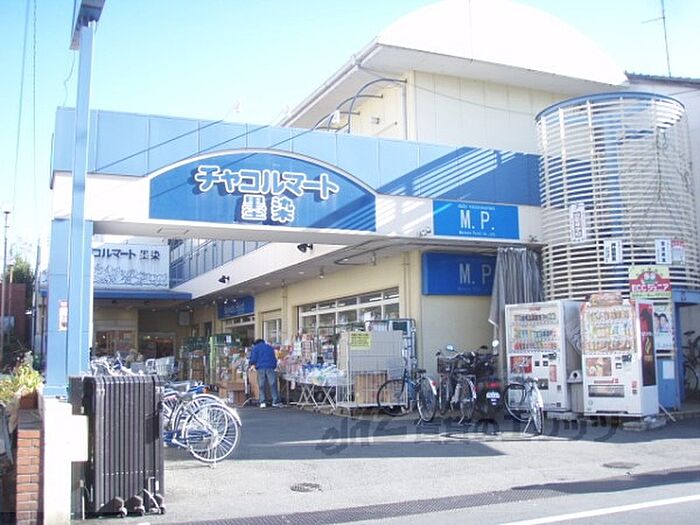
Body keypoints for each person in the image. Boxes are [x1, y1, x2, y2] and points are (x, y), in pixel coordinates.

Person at [249, 338, 281, 408]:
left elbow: (253, 359)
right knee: (272, 384)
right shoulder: (270, 347)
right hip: (270, 367)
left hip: (261, 367)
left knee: (261, 385)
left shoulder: (255, 348)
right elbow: (274, 358)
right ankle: (275, 401)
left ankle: (263, 401)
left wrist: (251, 363)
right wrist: (274, 365)